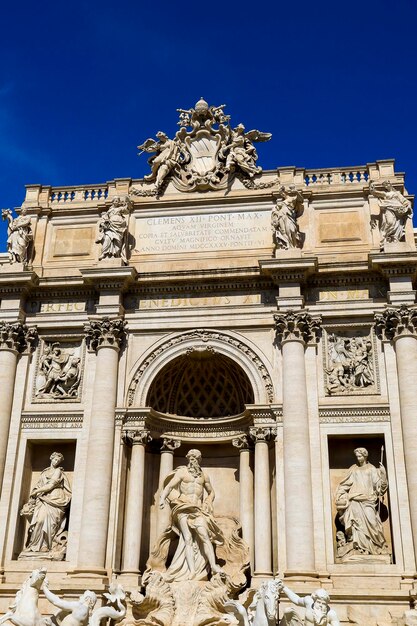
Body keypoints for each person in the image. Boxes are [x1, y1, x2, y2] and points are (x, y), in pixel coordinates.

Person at [157, 449, 223, 581]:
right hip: (183, 507)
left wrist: (208, 502)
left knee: (205, 536)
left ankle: (214, 566)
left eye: (195, 458)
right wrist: (162, 499)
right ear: (188, 459)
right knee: (187, 538)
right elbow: (169, 487)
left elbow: (211, 492)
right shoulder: (182, 472)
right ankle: (192, 571)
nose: (193, 460)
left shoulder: (204, 476)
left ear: (199, 460)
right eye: (191, 458)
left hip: (197, 509)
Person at [335, 447, 389, 557]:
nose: (358, 458)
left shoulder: (372, 469)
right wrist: (340, 494)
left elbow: (380, 488)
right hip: (354, 500)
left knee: (372, 522)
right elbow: (345, 484)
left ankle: (375, 547)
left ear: (365, 456)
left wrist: (383, 475)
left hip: (368, 500)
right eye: (357, 457)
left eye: (360, 456)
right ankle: (358, 548)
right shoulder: (353, 469)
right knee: (356, 525)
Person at [19, 452, 72, 559]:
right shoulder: (44, 473)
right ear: (51, 459)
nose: (56, 462)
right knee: (39, 521)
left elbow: (50, 485)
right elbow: (38, 485)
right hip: (43, 500)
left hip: (55, 499)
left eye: (58, 461)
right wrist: (35, 493)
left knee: (51, 524)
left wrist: (36, 491)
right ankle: (34, 546)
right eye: (55, 459)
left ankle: (45, 546)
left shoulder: (58, 472)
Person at [369, 180, 412, 246]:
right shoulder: (385, 193)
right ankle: (385, 237)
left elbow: (405, 201)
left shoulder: (397, 193)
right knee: (390, 222)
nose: (386, 186)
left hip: (398, 211)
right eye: (384, 185)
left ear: (390, 184)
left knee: (398, 224)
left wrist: (408, 205)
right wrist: (372, 188)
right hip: (389, 208)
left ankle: (394, 237)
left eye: (386, 184)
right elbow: (375, 193)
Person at [96, 197, 129, 263]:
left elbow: (126, 210)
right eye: (115, 201)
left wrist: (126, 204)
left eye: (117, 201)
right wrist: (103, 223)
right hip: (110, 226)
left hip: (119, 226)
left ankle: (116, 254)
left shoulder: (120, 209)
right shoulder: (109, 211)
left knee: (118, 240)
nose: (116, 202)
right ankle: (105, 253)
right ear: (113, 202)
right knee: (107, 239)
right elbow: (104, 218)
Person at [271, 185, 304, 250]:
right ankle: (287, 245)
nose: (282, 194)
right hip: (281, 217)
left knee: (292, 230)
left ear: (286, 192)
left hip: (289, 218)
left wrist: (296, 192)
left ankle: (293, 245)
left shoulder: (292, 199)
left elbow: (301, 200)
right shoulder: (281, 203)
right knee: (283, 231)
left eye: (283, 192)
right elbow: (275, 212)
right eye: (281, 193)